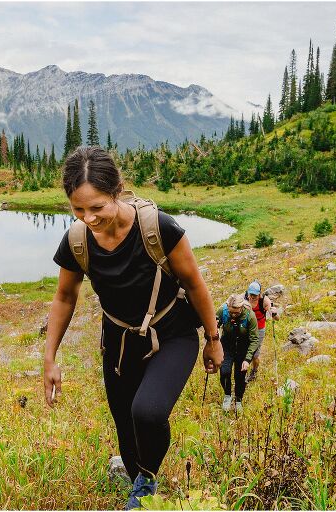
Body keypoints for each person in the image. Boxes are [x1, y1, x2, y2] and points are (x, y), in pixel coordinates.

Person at [43, 147, 223, 510]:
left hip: (172, 332)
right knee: (126, 431)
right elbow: (64, 297)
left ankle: (146, 485)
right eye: (78, 209)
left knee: (148, 412)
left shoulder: (159, 228)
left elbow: (194, 284)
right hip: (119, 342)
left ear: (118, 191)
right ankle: (139, 475)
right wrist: (49, 358)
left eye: (97, 207)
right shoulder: (77, 240)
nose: (88, 218)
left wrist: (214, 339)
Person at [215, 293, 259, 414]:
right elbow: (213, 325)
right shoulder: (222, 311)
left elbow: (255, 339)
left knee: (240, 376)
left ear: (241, 308)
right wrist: (214, 334)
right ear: (228, 307)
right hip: (227, 346)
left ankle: (238, 400)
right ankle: (227, 395)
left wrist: (247, 359)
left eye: (236, 312)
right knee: (225, 372)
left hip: (242, 348)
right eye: (231, 312)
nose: (233, 314)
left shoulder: (250, 316)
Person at [245, 281, 278, 382]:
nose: (252, 297)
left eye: (255, 295)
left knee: (254, 354)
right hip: (247, 328)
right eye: (251, 294)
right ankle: (243, 372)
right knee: (244, 351)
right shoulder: (244, 298)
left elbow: (277, 318)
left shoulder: (264, 301)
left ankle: (254, 371)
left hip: (259, 329)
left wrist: (274, 313)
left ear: (259, 294)